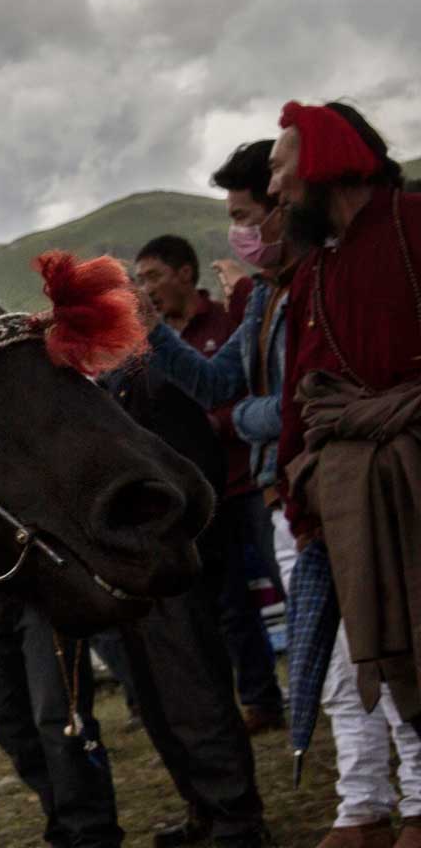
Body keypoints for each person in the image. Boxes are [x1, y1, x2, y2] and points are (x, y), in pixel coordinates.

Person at [270, 99, 421, 848]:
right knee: (382, 654)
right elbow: (305, 394)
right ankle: (389, 807)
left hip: (414, 469)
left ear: (324, 157)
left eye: (281, 164)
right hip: (349, 492)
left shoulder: (414, 224)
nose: (275, 184)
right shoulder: (317, 270)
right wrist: (302, 495)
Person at [101, 328, 269, 848]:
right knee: (154, 699)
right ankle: (201, 804)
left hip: (165, 563)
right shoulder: (97, 388)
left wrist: (172, 542)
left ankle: (237, 819)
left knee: (194, 688)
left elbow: (195, 468)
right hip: (122, 570)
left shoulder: (153, 378)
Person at [137, 226, 281, 730]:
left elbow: (232, 386)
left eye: (154, 275)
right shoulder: (153, 344)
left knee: (283, 583)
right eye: (140, 280)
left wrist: (214, 423)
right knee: (230, 606)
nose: (149, 287)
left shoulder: (228, 319)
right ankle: (260, 699)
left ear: (185, 273)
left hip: (251, 483)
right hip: (204, 500)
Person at [0, 585, 124, 848]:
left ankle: (95, 843)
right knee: (11, 724)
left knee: (59, 716)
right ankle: (63, 835)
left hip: (38, 580)